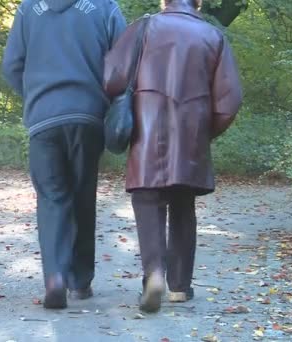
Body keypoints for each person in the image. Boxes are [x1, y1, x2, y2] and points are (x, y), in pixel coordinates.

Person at [103, 0, 243, 313]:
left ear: (165, 0)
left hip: (146, 135)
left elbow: (112, 77)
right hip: (190, 138)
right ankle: (180, 286)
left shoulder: (144, 26)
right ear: (200, 2)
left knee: (147, 199)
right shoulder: (213, 36)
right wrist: (203, 131)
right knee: (183, 205)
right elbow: (229, 100)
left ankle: (154, 275)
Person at [2, 0, 126, 309]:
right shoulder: (105, 8)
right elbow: (125, 64)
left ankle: (54, 277)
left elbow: (11, 65)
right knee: (83, 195)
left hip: (43, 118)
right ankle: (79, 282)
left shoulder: (28, 9)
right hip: (88, 116)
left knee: (52, 197)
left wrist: (35, 97)